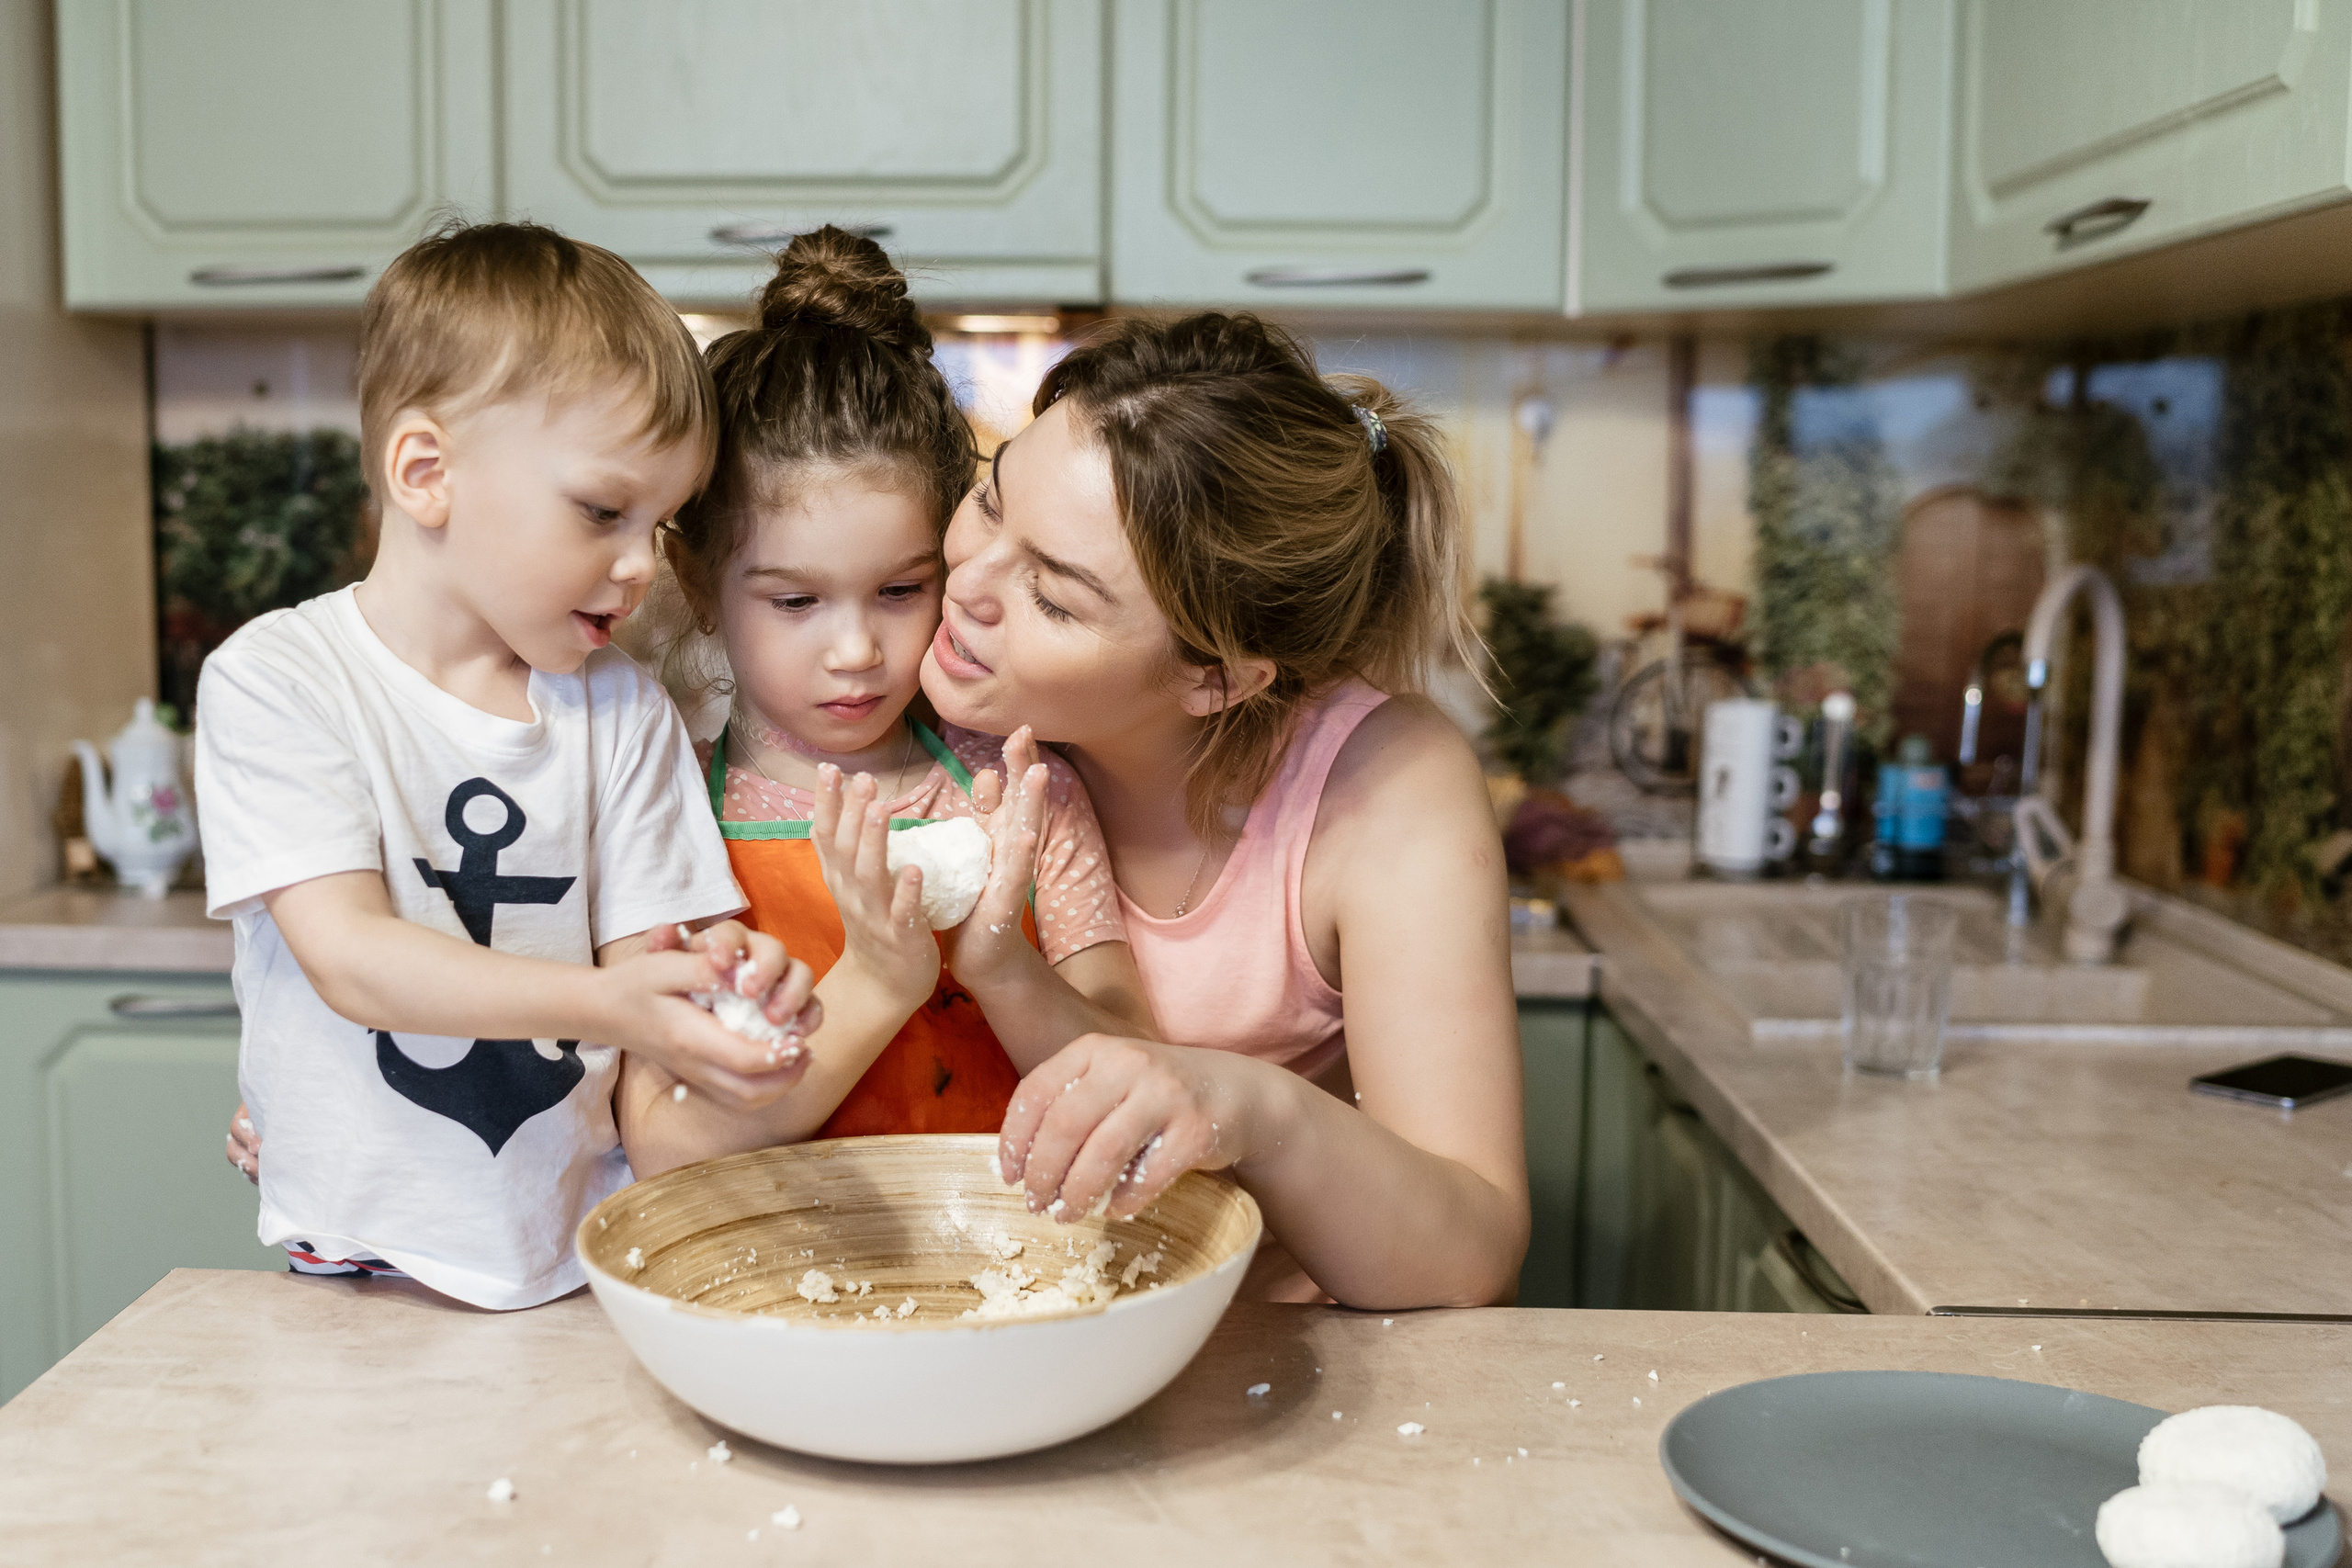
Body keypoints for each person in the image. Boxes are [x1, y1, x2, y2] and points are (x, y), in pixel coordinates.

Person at [196, 221, 819, 1310]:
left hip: (582, 1254)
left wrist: (733, 989)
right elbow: (350, 961)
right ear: (426, 472)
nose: (639, 565)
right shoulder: (280, 681)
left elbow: (656, 955)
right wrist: (620, 1004)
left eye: (661, 522)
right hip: (354, 1262)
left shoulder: (619, 707)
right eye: (601, 511)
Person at [923, 312, 1528, 1308]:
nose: (965, 587)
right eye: (989, 505)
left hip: (1270, 1363)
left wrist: (1249, 1104)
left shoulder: (1383, 789)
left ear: (1216, 679)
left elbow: (1469, 1254)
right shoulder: (905, 693)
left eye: (1056, 599)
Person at [616, 228, 1152, 1179]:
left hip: (1004, 1287)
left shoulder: (1018, 794)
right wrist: (877, 982)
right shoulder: (662, 816)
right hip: (766, 1291)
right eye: (795, 602)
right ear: (697, 581)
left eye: (901, 591)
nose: (857, 650)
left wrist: (1001, 967)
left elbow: (1127, 1077)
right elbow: (664, 1141)